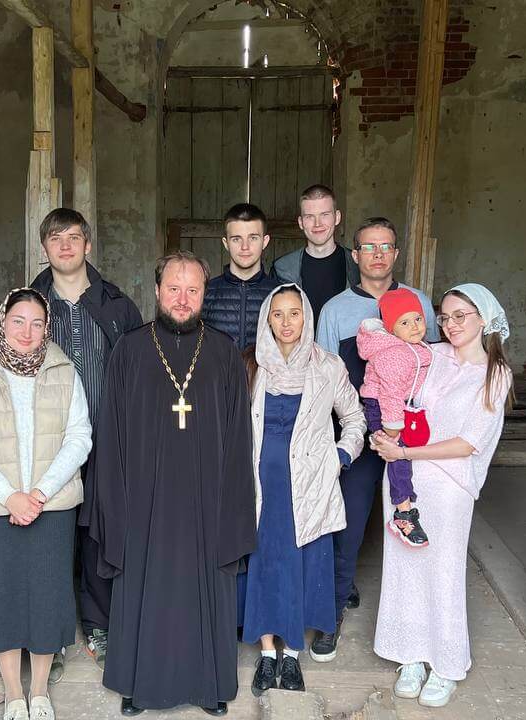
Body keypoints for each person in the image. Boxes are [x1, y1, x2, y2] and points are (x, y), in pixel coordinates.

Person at [89, 251, 255, 717]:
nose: (183, 299)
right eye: (174, 289)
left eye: (193, 290)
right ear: (157, 290)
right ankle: (137, 685)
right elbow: (111, 433)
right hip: (144, 499)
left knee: (206, 584)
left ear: (204, 294)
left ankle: (209, 685)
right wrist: (115, 503)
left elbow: (238, 437)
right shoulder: (130, 349)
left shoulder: (222, 352)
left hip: (207, 498)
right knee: (144, 583)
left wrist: (234, 504)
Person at [371, 283, 515, 709]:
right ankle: (411, 656)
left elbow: (468, 442)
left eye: (460, 316)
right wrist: (383, 431)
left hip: (449, 485)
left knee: (443, 571)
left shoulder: (495, 374)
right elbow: (390, 383)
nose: (450, 324)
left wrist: (404, 452)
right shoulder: (430, 355)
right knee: (404, 567)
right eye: (445, 317)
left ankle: (446, 665)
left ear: (483, 319)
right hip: (404, 482)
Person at [0, 288, 92, 720]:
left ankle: (40, 690)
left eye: (36, 323)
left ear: (46, 327)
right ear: (2, 321)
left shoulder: (64, 371)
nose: (27, 332)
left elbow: (79, 436)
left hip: (51, 506)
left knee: (48, 597)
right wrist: (10, 496)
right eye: (18, 321)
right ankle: (14, 693)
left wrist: (40, 493)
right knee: (2, 597)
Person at [310, 217, 438, 663]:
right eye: (369, 247)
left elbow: (431, 366)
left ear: (396, 253)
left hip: (410, 433)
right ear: (356, 255)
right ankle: (331, 614)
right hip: (360, 429)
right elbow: (324, 377)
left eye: (386, 246)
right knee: (347, 522)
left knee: (414, 517)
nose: (378, 254)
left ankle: (423, 621)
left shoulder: (419, 302)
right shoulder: (336, 310)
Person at [28, 208, 142, 672]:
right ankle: (50, 634)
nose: (65, 246)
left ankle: (98, 623)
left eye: (74, 237)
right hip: (46, 443)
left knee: (99, 534)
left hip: (106, 440)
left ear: (88, 244)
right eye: (56, 238)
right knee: (50, 536)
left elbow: (138, 373)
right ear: (44, 247)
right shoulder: (30, 304)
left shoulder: (117, 304)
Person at [243, 284, 365, 697]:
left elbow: (355, 418)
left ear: (306, 317)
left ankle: (292, 654)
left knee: (300, 567)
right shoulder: (251, 364)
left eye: (294, 313)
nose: (286, 322)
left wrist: (340, 456)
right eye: (277, 314)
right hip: (261, 487)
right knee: (264, 565)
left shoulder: (327, 366)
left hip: (309, 487)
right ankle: (267, 654)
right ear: (267, 318)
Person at [356, 288, 434, 547]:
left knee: (406, 449)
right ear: (390, 329)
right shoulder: (394, 354)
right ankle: (403, 513)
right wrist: (391, 430)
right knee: (398, 455)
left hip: (398, 404)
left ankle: (379, 438)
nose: (415, 326)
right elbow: (389, 394)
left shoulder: (414, 346)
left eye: (418, 319)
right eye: (404, 322)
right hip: (383, 407)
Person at [273, 185, 360, 322]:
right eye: (309, 217)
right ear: (301, 222)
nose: (317, 224)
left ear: (337, 217)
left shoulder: (357, 264)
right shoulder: (282, 268)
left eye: (325, 215)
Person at [202, 203, 282, 349]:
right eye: (236, 239)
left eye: (253, 238)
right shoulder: (206, 293)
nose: (245, 247)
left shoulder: (280, 294)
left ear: (265, 241)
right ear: (226, 243)